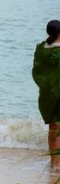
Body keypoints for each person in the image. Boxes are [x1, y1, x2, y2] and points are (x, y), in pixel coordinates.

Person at [32, 19, 60, 173]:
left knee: (53, 127)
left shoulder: (41, 48)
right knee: (58, 127)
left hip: (46, 95)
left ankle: (53, 163)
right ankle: (57, 164)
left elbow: (37, 72)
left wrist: (46, 86)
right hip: (58, 93)